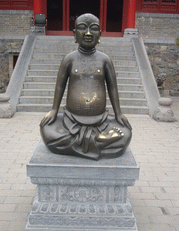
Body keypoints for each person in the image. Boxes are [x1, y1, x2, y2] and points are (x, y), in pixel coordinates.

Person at [40, 13, 132, 160]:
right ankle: (99, 141)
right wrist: (54, 109)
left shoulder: (105, 60)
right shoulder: (69, 59)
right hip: (71, 120)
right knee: (46, 131)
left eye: (93, 29)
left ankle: (87, 142)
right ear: (75, 33)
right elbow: (60, 87)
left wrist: (118, 113)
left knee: (126, 133)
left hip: (101, 120)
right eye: (82, 28)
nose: (88, 33)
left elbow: (112, 88)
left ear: (100, 34)